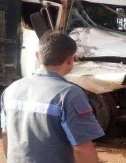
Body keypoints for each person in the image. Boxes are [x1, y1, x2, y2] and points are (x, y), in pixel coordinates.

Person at [1, 30, 104, 163]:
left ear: (38, 56)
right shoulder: (69, 94)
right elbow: (82, 148)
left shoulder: (11, 90)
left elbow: (6, 134)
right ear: (69, 60)